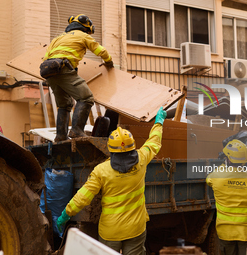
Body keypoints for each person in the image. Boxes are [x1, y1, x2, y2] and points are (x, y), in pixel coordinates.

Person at [56, 107, 166, 255]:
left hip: (110, 232)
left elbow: (83, 197)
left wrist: (66, 214)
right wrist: (159, 122)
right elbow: (154, 142)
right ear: (132, 146)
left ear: (110, 149)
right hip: (136, 228)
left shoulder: (101, 171)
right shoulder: (141, 159)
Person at [41, 14, 114, 142]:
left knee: (64, 105)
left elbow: (46, 57)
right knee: (86, 98)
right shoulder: (83, 36)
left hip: (49, 72)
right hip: (64, 69)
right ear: (86, 28)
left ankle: (61, 136)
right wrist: (109, 63)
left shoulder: (57, 38)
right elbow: (101, 51)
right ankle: (76, 130)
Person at [206, 139, 247, 255]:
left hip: (225, 232)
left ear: (227, 158)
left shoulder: (216, 176)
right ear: (245, 161)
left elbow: (209, 180)